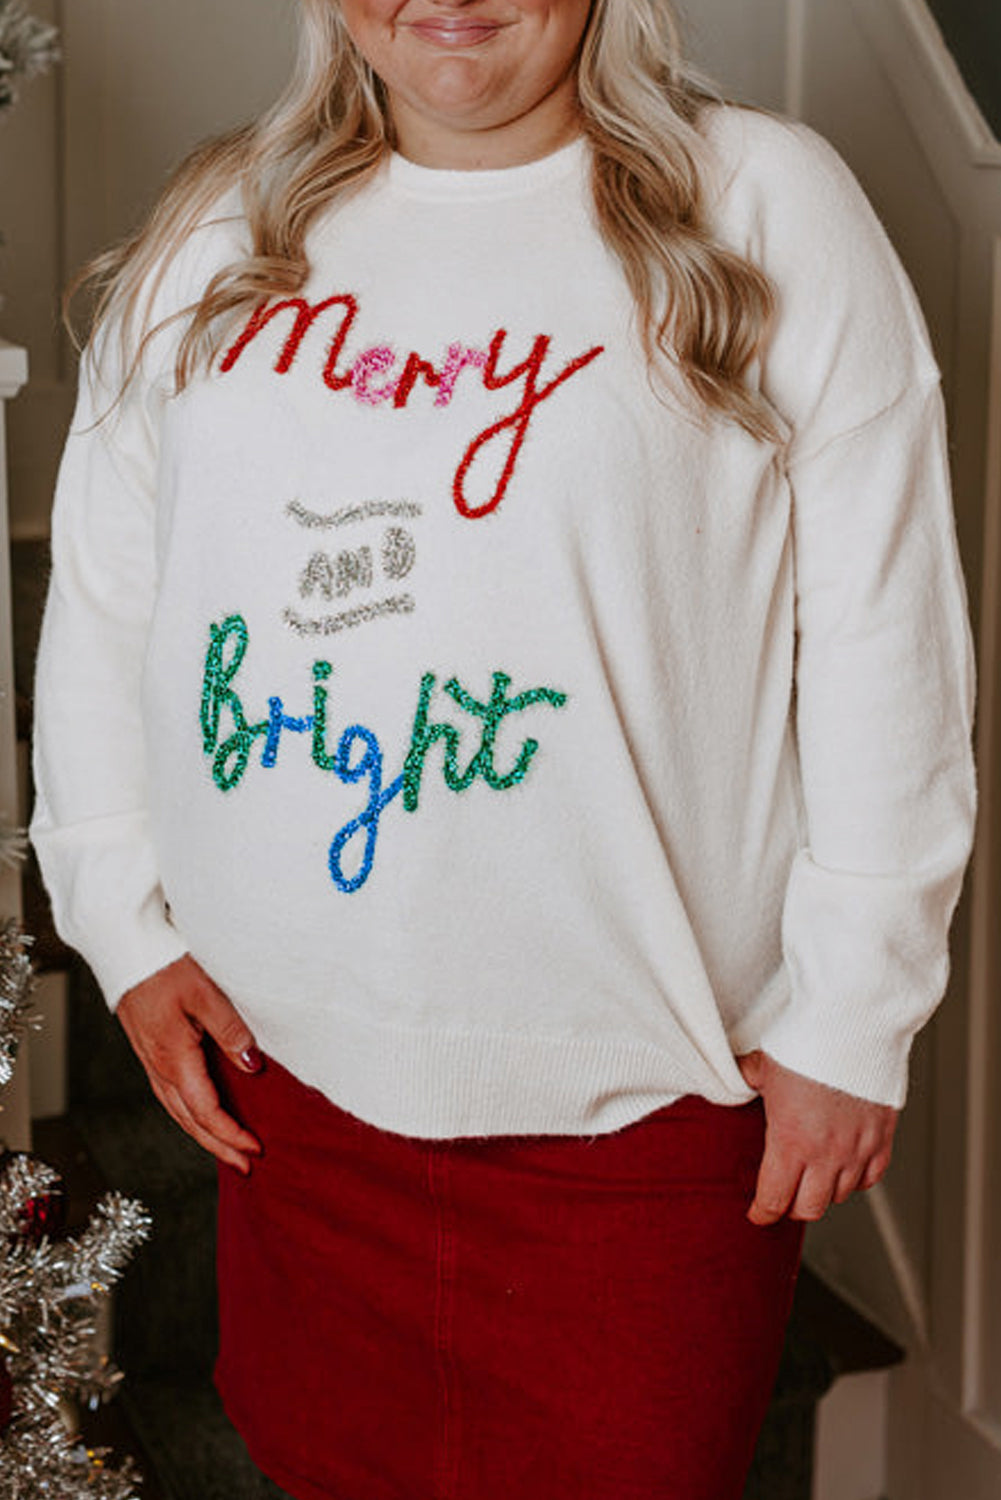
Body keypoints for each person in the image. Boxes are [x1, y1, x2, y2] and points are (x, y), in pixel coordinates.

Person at [30, 1, 976, 1497]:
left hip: (647, 1115)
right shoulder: (216, 227)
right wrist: (122, 926)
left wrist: (857, 1008)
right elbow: (105, 604)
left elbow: (882, 632)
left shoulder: (759, 202)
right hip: (297, 1103)